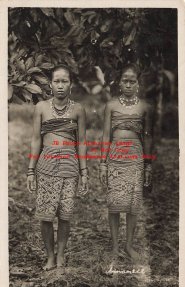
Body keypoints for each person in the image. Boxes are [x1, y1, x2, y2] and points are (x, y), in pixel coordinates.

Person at [27, 64, 88, 270]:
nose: (60, 85)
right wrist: (31, 170)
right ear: (50, 84)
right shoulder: (41, 108)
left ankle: (61, 255)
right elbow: (36, 139)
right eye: (56, 81)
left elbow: (82, 143)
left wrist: (84, 172)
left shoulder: (78, 109)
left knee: (65, 214)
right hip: (46, 166)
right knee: (46, 215)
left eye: (64, 81)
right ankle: (50, 256)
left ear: (70, 84)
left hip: (70, 167)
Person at [99, 63, 153, 263]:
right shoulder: (111, 105)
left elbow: (146, 138)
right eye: (125, 81)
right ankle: (114, 246)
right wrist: (103, 163)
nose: (128, 84)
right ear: (119, 83)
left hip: (135, 156)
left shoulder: (143, 107)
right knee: (114, 203)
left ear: (138, 83)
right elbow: (106, 136)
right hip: (115, 156)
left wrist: (148, 165)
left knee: (132, 203)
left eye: (133, 81)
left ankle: (128, 245)